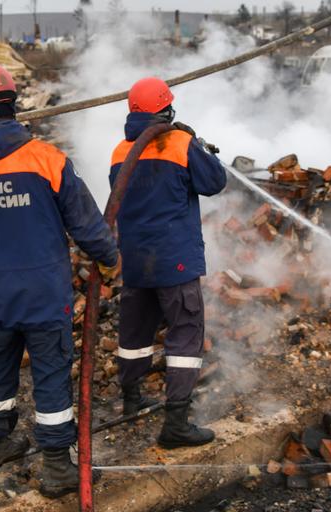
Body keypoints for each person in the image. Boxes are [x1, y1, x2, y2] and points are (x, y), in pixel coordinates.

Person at [0, 63, 118, 498]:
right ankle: (56, 467)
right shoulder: (46, 157)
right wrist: (108, 260)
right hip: (44, 292)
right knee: (52, 374)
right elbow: (85, 222)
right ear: (13, 107)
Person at [109, 77, 227, 448]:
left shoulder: (119, 151)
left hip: (136, 261)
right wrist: (200, 146)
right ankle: (176, 423)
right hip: (175, 260)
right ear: (167, 108)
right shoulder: (180, 144)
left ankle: (131, 401)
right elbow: (215, 182)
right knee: (185, 334)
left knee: (134, 335)